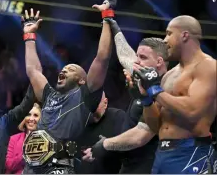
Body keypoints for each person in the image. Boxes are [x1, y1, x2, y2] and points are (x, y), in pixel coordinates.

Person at [21, 0, 115, 174]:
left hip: (58, 168)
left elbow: (102, 57)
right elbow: (33, 70)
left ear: (81, 80)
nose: (63, 71)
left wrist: (107, 16)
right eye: (63, 69)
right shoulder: (49, 96)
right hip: (31, 168)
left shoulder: (84, 95)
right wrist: (30, 36)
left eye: (70, 69)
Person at [132, 15, 217, 174]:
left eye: (169, 33)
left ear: (184, 35)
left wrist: (154, 90)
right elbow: (156, 126)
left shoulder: (208, 66)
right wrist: (146, 98)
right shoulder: (169, 75)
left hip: (191, 152)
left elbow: (192, 111)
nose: (164, 40)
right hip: (162, 154)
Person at [83, 18, 168, 173]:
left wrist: (104, 145)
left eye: (143, 58)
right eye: (138, 56)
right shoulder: (145, 75)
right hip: (131, 164)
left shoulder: (164, 89)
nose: (137, 62)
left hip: (149, 166)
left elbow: (141, 136)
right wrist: (113, 25)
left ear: (159, 62)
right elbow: (126, 57)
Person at [76, 92, 125, 174]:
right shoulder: (77, 122)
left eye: (96, 104)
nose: (91, 110)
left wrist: (106, 147)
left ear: (105, 103)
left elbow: (128, 146)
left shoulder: (117, 117)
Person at [5, 103, 41, 174]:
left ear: (41, 119)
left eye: (36, 115)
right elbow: (9, 165)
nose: (31, 119)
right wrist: (25, 153)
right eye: (28, 115)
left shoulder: (46, 139)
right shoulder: (14, 139)